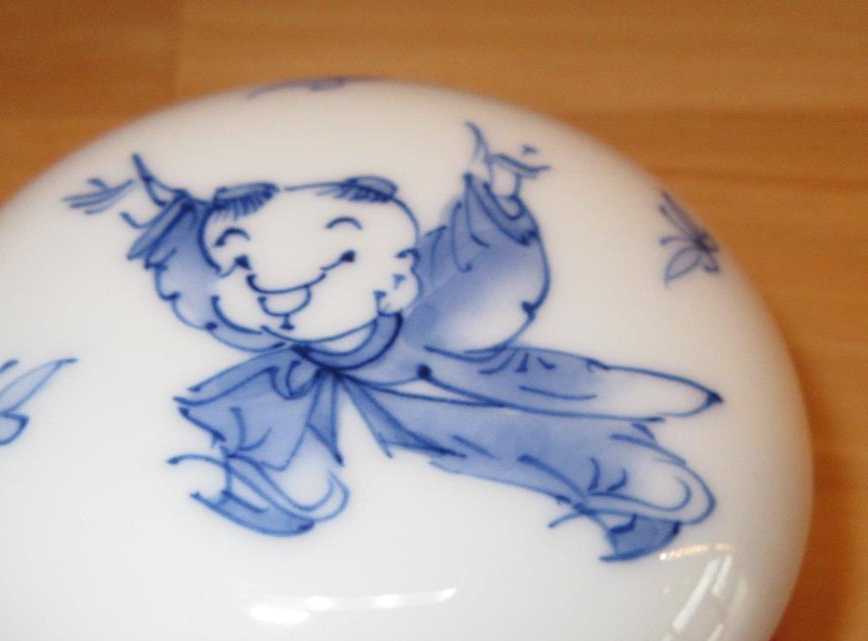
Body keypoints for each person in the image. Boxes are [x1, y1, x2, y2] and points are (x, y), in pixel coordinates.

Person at [66, 125, 720, 560]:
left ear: (401, 275)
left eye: (338, 260)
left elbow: (483, 263)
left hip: (435, 373)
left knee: (519, 427)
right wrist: (159, 211)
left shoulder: (438, 303)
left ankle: (639, 490)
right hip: (328, 394)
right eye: (239, 265)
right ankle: (271, 500)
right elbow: (196, 280)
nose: (280, 293)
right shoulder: (270, 361)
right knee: (274, 437)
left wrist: (495, 192)